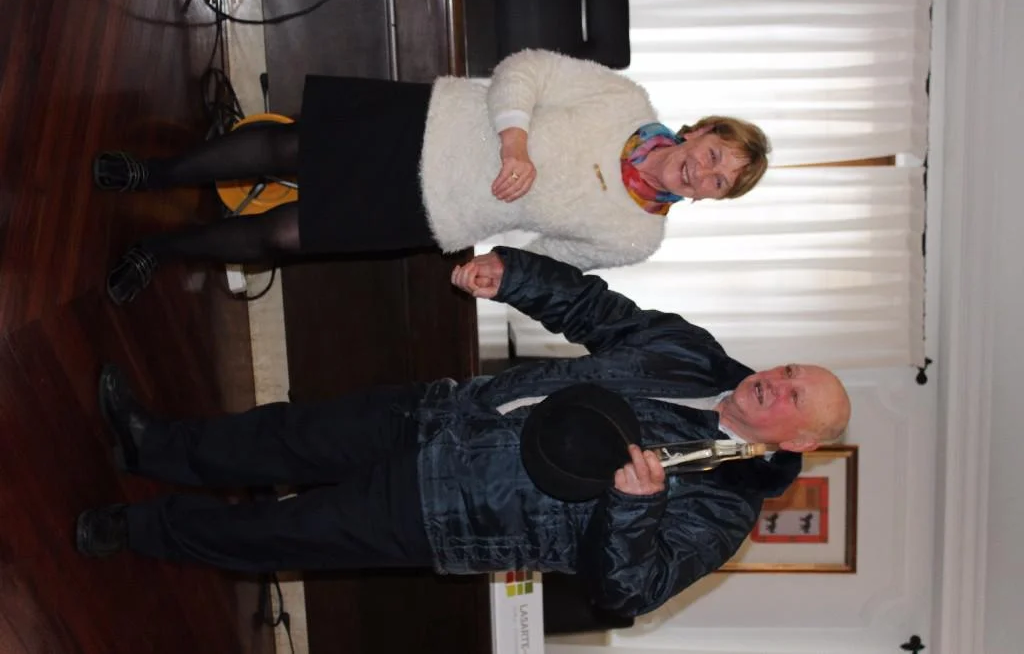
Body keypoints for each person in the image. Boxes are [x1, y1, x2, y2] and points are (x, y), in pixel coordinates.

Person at [76, 247, 849, 617]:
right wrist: (514, 277)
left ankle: (139, 528)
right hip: (440, 411)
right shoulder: (693, 353)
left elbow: (628, 591)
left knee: (279, 532)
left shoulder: (722, 509)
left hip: (445, 511)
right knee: (283, 436)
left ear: (797, 442)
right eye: (788, 368)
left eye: (792, 396)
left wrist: (635, 507)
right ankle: (151, 444)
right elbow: (596, 311)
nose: (774, 381)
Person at [94, 49, 770, 304]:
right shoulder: (625, 100)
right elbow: (526, 68)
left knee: (282, 238)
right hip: (426, 125)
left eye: (719, 183)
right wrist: (514, 138)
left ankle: (158, 250)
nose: (705, 173)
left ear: (708, 199)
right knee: (283, 150)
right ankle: (151, 173)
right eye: (716, 155)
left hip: (433, 212)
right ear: (702, 131)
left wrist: (500, 271)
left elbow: (551, 263)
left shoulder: (638, 238)